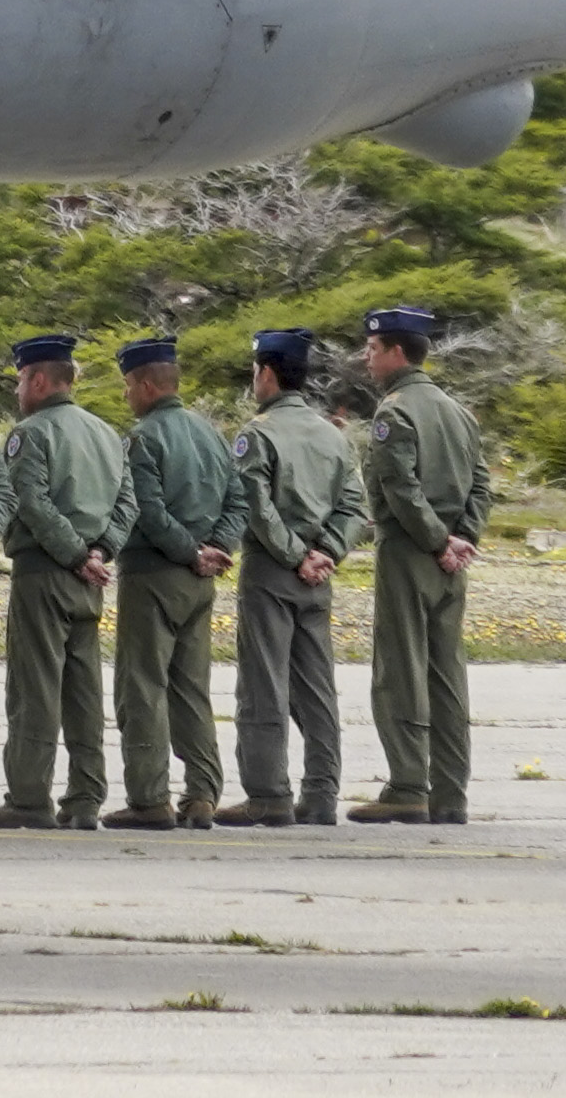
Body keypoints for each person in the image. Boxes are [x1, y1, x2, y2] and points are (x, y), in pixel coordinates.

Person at [219, 326, 367, 826]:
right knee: (317, 686)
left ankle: (267, 792)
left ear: (266, 373)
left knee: (264, 683)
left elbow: (255, 507)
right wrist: (326, 552)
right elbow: (353, 506)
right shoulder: (332, 434)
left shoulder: (257, 434)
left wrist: (292, 554)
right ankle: (322, 792)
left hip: (271, 572)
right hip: (318, 576)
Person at [0, 333, 128, 831]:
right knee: (84, 692)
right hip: (91, 577)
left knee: (34, 688)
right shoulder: (107, 434)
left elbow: (32, 501)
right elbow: (126, 503)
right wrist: (99, 552)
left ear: (39, 380)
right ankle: (86, 797)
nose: (18, 390)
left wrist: (71, 554)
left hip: (45, 571)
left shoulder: (32, 433)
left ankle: (28, 796)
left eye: (22, 379)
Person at [354, 303, 490, 826]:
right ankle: (451, 792)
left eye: (372, 350)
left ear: (395, 351)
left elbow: (400, 487)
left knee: (399, 668)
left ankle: (409, 784)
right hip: (451, 559)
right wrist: (462, 538)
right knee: (447, 672)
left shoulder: (395, 412)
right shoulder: (459, 412)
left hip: (409, 551)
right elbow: (481, 483)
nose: (367, 360)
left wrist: (435, 540)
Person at [108, 334, 243, 830]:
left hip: (153, 575)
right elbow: (239, 502)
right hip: (200, 580)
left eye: (127, 385)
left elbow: (147, 509)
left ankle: (148, 797)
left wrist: (187, 549)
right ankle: (203, 792)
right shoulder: (212, 435)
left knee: (141, 686)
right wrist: (216, 550)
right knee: (192, 688)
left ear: (146, 385)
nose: (126, 395)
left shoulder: (143, 438)